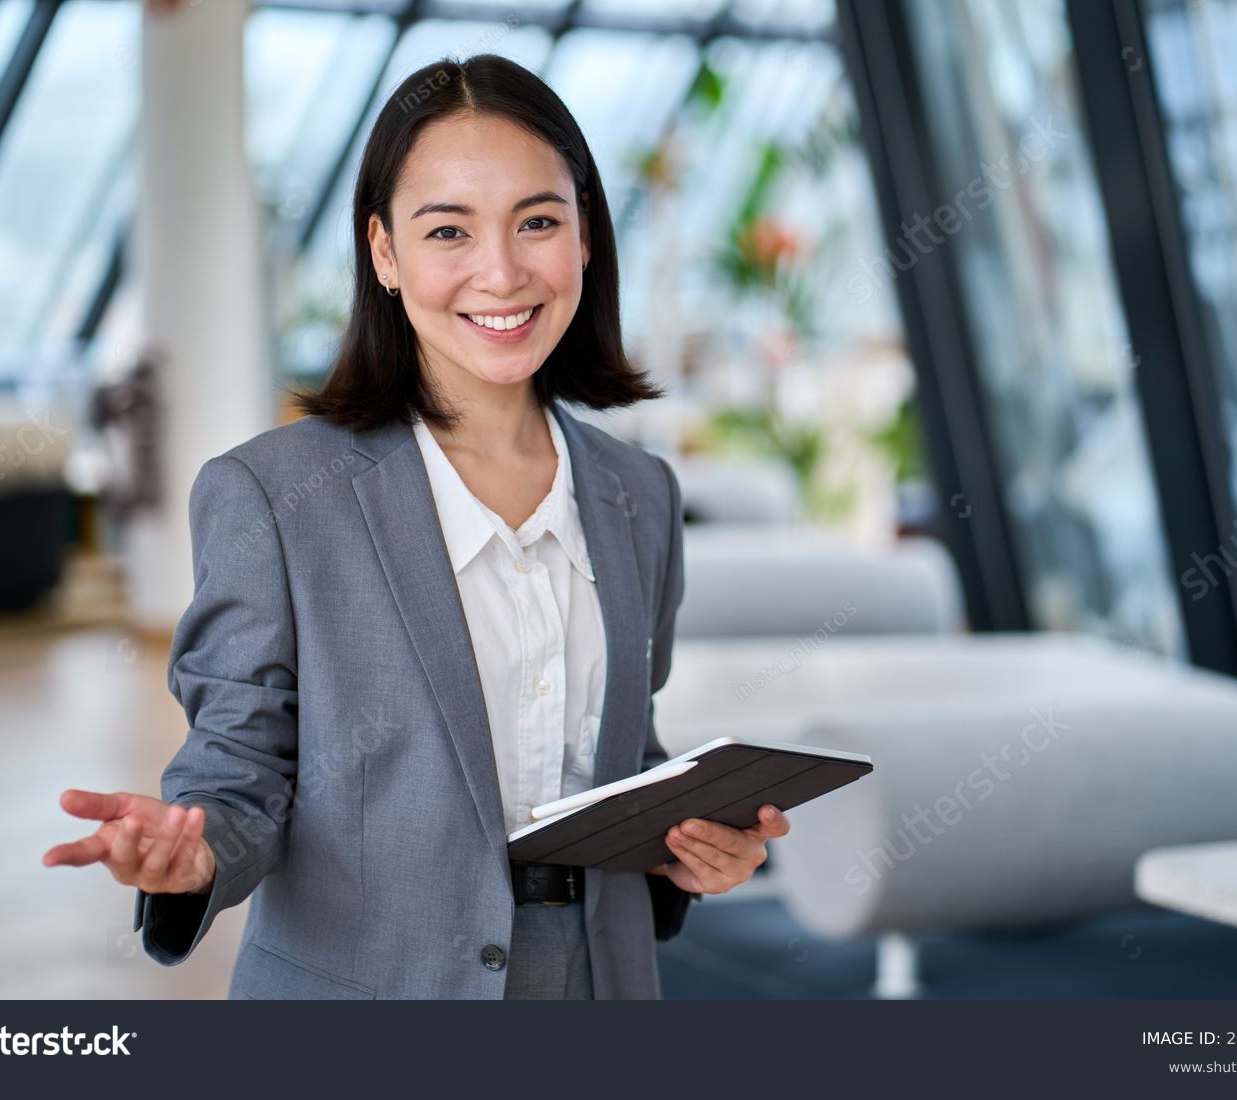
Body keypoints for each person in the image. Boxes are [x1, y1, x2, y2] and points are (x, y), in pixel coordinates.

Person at [42, 53, 790, 1000]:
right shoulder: (273, 496)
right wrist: (193, 854)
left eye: (538, 222)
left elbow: (619, 755)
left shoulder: (638, 493)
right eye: (448, 231)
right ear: (385, 254)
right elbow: (239, 768)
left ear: (587, 236)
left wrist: (690, 844)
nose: (502, 272)